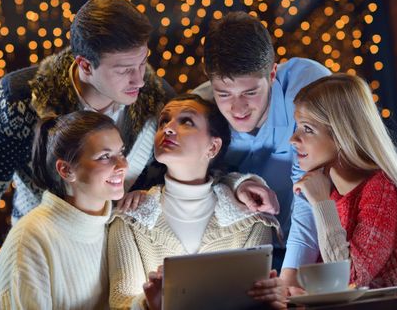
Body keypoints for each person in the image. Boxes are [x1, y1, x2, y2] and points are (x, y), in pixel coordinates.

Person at [0, 0, 173, 309]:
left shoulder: (157, 102)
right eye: (124, 69)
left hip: (121, 257)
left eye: (143, 62)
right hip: (44, 251)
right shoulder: (19, 97)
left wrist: (151, 193)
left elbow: (184, 172)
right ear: (84, 64)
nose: (139, 78)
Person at [108, 94, 284, 309]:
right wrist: (147, 304)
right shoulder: (130, 218)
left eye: (187, 122)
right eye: (164, 121)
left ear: (213, 147)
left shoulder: (251, 219)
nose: (168, 128)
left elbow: (255, 301)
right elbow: (120, 301)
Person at [194, 11, 331, 284]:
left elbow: (310, 184)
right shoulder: (199, 110)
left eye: (250, 92)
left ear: (272, 72)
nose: (237, 108)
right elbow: (198, 181)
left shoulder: (307, 85)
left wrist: (290, 278)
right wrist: (237, 183)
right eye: (224, 94)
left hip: (320, 244)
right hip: (247, 253)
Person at [0, 111, 127, 309]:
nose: (122, 165)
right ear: (66, 170)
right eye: (105, 157)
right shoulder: (30, 240)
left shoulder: (119, 226)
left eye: (121, 152)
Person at [290, 74, 397, 288]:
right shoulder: (328, 189)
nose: (292, 139)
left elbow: (351, 278)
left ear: (342, 134)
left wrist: (321, 204)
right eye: (297, 128)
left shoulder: (381, 188)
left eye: (307, 129)